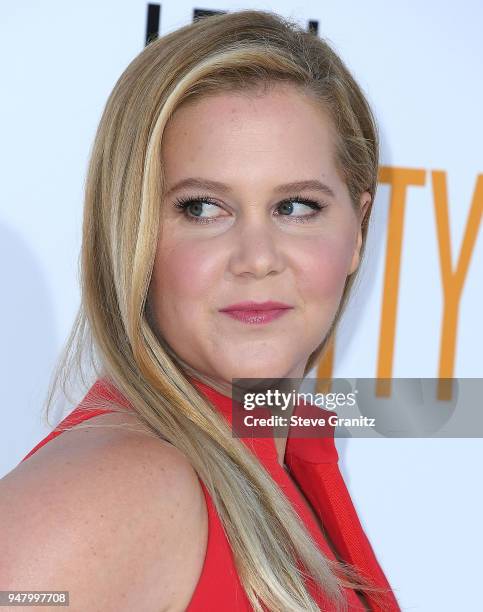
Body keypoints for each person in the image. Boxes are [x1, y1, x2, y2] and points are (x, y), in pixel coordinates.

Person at [0, 9, 401, 611]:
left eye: (296, 207)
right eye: (202, 209)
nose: (257, 259)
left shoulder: (282, 453)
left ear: (359, 231)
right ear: (132, 231)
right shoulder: (121, 491)